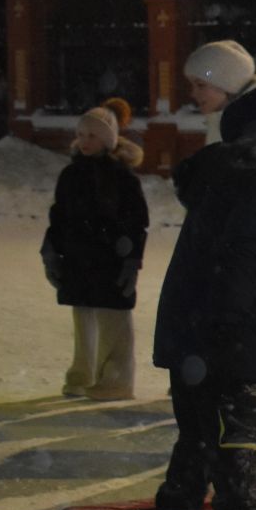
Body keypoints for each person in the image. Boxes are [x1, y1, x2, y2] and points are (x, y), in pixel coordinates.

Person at [147, 42, 256, 510]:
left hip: (191, 311)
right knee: (241, 426)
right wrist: (251, 317)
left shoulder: (223, 166)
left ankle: (180, 496)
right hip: (231, 316)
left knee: (196, 419)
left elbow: (236, 243)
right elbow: (250, 249)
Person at [43, 99, 148, 401]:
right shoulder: (70, 175)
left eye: (93, 135)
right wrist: (51, 250)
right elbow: (59, 216)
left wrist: (132, 258)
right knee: (83, 317)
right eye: (82, 134)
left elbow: (136, 221)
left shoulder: (121, 177)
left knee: (113, 320)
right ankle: (82, 374)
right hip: (78, 259)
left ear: (108, 140)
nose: (85, 141)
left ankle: (115, 380)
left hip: (109, 259)